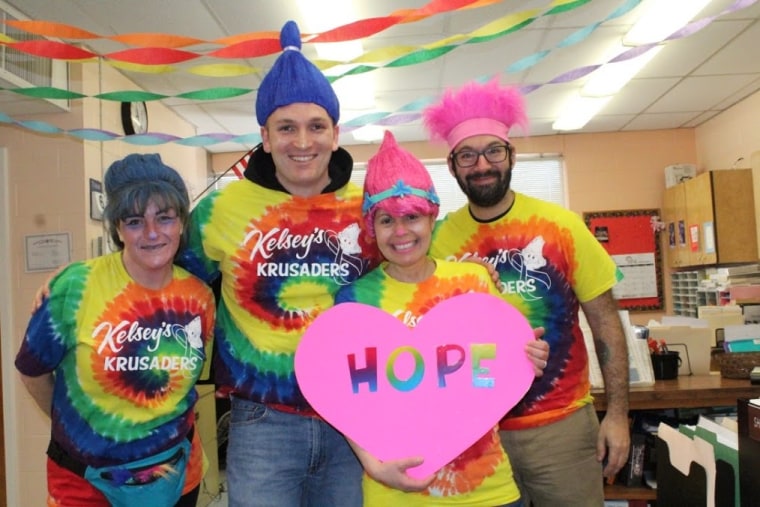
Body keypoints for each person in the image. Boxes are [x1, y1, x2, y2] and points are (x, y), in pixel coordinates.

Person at [175, 20, 380, 507]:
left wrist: (479, 278)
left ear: (335, 134)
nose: (301, 141)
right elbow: (170, 285)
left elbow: (420, 281)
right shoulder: (219, 211)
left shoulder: (372, 209)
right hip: (263, 421)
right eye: (286, 127)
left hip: (358, 416)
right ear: (264, 137)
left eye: (316, 126)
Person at [422, 79, 630, 507]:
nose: (482, 165)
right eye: (468, 155)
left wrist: (619, 414)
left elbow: (605, 320)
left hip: (561, 429)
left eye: (493, 151)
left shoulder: (562, 227)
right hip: (474, 433)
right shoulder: (438, 242)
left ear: (511, 155)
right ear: (453, 165)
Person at [334, 130, 549, 507]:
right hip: (393, 492)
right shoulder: (354, 299)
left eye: (412, 217)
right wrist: (373, 465)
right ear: (371, 228)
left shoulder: (473, 281)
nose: (401, 232)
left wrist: (525, 358)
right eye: (386, 220)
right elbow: (345, 396)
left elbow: (487, 378)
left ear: (431, 217)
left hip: (486, 488)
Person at [16, 153, 216, 507]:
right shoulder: (74, 288)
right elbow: (33, 372)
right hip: (83, 482)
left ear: (182, 223)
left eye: (165, 218)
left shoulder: (199, 296)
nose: (152, 233)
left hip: (177, 477)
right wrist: (83, 427)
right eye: (135, 221)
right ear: (118, 229)